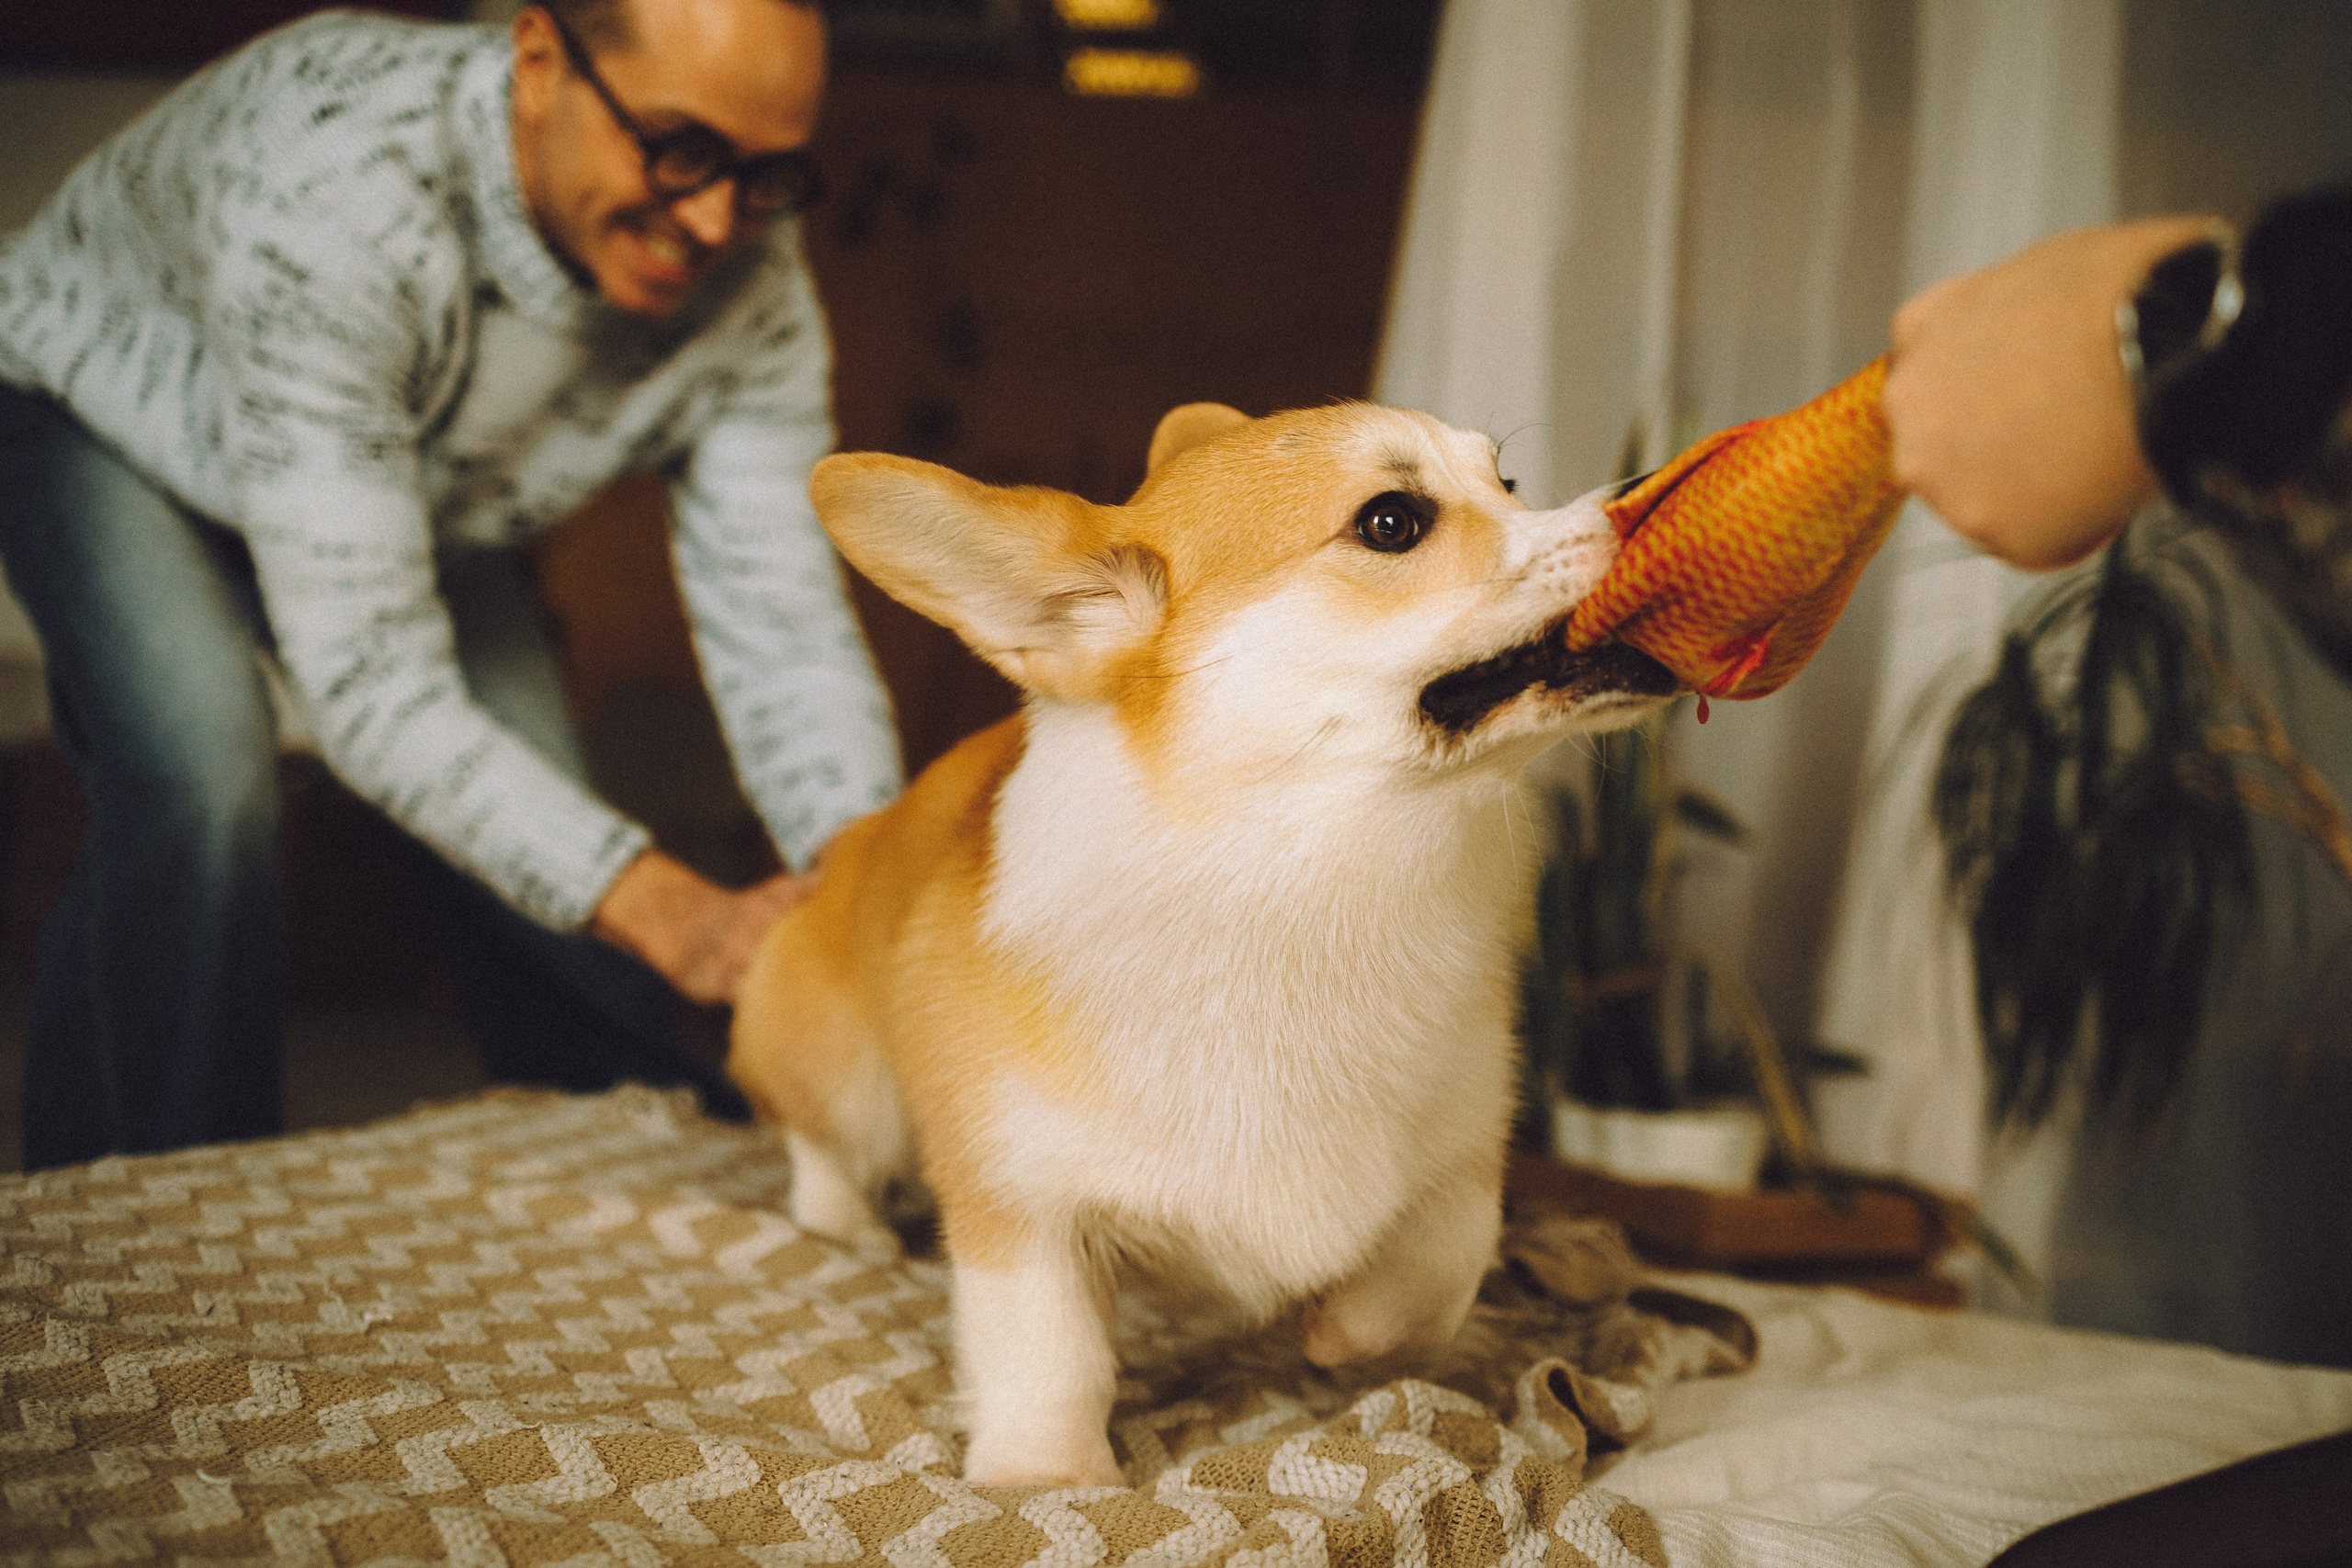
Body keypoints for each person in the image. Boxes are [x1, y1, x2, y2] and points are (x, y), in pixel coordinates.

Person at [0, 0, 905, 1170]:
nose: (716, 219)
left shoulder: (750, 274)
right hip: (103, 410)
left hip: (401, 483)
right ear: (539, 64)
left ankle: (642, 1147)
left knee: (534, 790)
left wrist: (870, 894)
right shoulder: (335, 189)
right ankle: (160, 1193)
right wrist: (678, 918)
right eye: (679, 149)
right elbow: (372, 684)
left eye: (767, 172)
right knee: (202, 771)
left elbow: (782, 622)